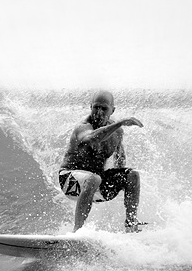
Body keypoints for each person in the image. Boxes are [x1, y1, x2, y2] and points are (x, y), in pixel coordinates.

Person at [59, 90, 145, 232]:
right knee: (94, 179)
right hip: (69, 180)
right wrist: (120, 123)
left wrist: (124, 184)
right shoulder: (83, 127)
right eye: (95, 107)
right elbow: (93, 138)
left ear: (112, 110)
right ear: (90, 107)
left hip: (95, 184)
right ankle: (77, 232)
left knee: (132, 175)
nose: (98, 112)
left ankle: (131, 225)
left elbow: (120, 160)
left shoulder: (117, 133)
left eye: (104, 108)